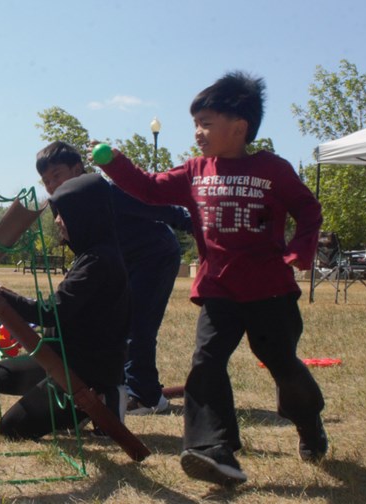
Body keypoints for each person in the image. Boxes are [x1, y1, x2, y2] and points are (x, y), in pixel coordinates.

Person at [95, 71, 326, 486]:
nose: (198, 133)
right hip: (218, 288)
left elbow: (308, 210)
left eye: (206, 123)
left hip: (270, 290)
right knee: (206, 363)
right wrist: (116, 164)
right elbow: (148, 189)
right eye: (194, 124)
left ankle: (308, 422)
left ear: (239, 128)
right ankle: (212, 450)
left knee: (281, 363)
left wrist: (300, 249)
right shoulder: (195, 171)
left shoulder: (273, 169)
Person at [36, 141, 192, 415]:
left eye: (57, 175)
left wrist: (194, 223)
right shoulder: (62, 203)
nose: (51, 184)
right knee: (109, 323)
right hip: (116, 263)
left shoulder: (106, 192)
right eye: (46, 180)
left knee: (137, 323)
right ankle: (117, 385)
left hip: (153, 256)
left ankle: (146, 396)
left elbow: (155, 207)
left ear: (78, 169)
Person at [0, 173, 131, 440]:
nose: (57, 221)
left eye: (64, 214)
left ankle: (102, 398)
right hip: (63, 356)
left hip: (87, 370)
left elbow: (51, 311)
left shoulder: (99, 261)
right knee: (0, 375)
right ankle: (62, 405)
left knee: (12, 429)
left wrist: (0, 294)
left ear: (86, 215)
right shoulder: (91, 254)